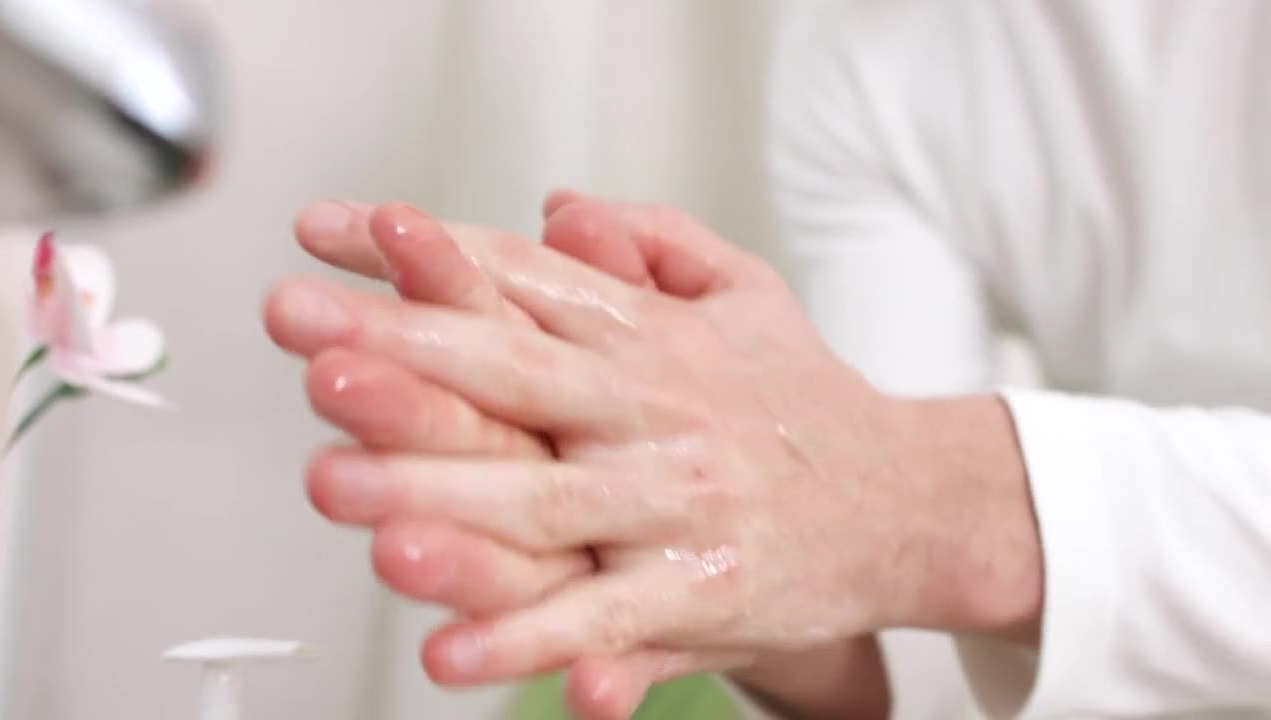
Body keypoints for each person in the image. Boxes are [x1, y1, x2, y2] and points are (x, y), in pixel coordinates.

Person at [263, 2, 1271, 719]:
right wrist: (689, 549)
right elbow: (909, 644)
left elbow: (893, 508)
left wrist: (920, 502)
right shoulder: (862, 49)